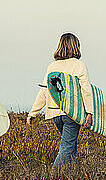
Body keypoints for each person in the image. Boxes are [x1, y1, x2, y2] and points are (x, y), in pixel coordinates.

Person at [27, 33, 94, 166]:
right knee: (66, 147)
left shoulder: (52, 66)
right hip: (71, 113)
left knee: (70, 144)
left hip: (55, 114)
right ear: (76, 46)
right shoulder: (79, 65)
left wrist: (32, 113)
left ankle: (72, 174)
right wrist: (89, 113)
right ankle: (52, 178)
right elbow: (86, 90)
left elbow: (44, 91)